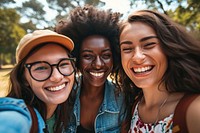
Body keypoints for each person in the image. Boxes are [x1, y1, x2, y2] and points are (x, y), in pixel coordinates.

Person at [118, 10, 200, 133]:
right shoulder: (132, 107)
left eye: (149, 44)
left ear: (168, 47)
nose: (137, 57)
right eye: (127, 49)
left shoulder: (193, 110)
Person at [55, 5, 125, 133]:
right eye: (88, 56)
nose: (98, 64)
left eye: (106, 55)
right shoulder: (62, 94)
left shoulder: (123, 100)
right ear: (76, 58)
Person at [0, 29, 76, 133]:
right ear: (24, 78)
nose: (57, 77)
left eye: (63, 64)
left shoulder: (70, 107)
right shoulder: (19, 116)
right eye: (41, 68)